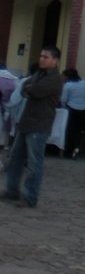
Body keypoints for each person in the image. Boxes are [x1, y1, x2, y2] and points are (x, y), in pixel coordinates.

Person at [2, 46, 63, 208]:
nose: (41, 59)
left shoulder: (55, 78)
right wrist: (29, 89)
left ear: (55, 61)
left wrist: (30, 89)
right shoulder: (38, 74)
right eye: (41, 56)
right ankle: (12, 190)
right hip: (26, 122)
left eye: (46, 57)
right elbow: (24, 87)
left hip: (39, 124)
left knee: (34, 162)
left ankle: (30, 197)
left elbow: (35, 90)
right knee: (15, 159)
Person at [60, 68, 85, 159]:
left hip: (72, 109)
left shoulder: (68, 85)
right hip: (83, 110)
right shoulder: (83, 83)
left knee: (69, 132)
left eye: (63, 76)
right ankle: (76, 151)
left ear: (68, 76)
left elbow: (63, 100)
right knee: (77, 132)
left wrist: (63, 105)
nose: (62, 77)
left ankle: (68, 152)